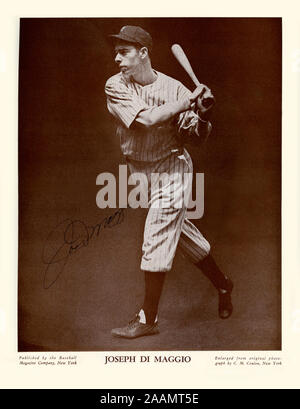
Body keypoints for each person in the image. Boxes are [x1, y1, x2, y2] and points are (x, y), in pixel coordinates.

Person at [104, 25, 233, 339]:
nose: (117, 58)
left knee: (157, 234)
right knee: (179, 232)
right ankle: (223, 283)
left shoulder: (176, 89)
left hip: (173, 168)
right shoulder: (115, 85)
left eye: (124, 51)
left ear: (143, 52)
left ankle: (147, 318)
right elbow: (146, 119)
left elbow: (195, 138)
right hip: (140, 173)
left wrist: (202, 114)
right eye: (116, 52)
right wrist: (190, 103)